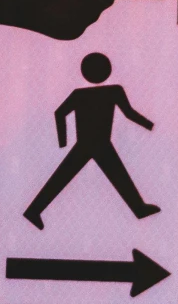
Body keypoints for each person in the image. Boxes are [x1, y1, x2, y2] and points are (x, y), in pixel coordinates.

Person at [24, 52, 159, 227]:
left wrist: (63, 140)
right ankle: (139, 208)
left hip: (92, 144)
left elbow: (60, 113)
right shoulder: (113, 91)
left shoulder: (81, 94)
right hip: (95, 144)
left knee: (112, 175)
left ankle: (139, 208)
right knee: (66, 178)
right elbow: (129, 114)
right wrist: (150, 126)